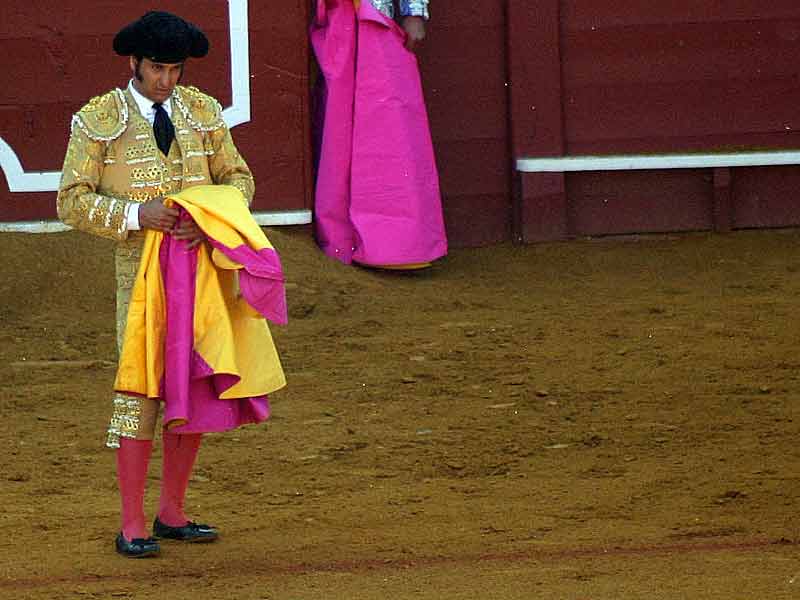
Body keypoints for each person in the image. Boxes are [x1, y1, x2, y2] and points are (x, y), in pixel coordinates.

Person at [56, 11, 285, 558]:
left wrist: (205, 212)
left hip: (201, 270)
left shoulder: (203, 113)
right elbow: (71, 201)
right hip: (137, 278)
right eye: (156, 68)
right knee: (141, 387)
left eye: (174, 70)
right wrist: (139, 215)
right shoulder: (98, 119)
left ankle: (171, 512)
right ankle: (131, 521)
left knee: (193, 379)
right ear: (133, 62)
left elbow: (239, 179)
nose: (166, 80)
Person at [310, 0, 448, 269]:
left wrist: (413, 12)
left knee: (386, 124)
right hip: (337, 18)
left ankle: (395, 245)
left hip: (375, 17)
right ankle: (341, 241)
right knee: (340, 125)